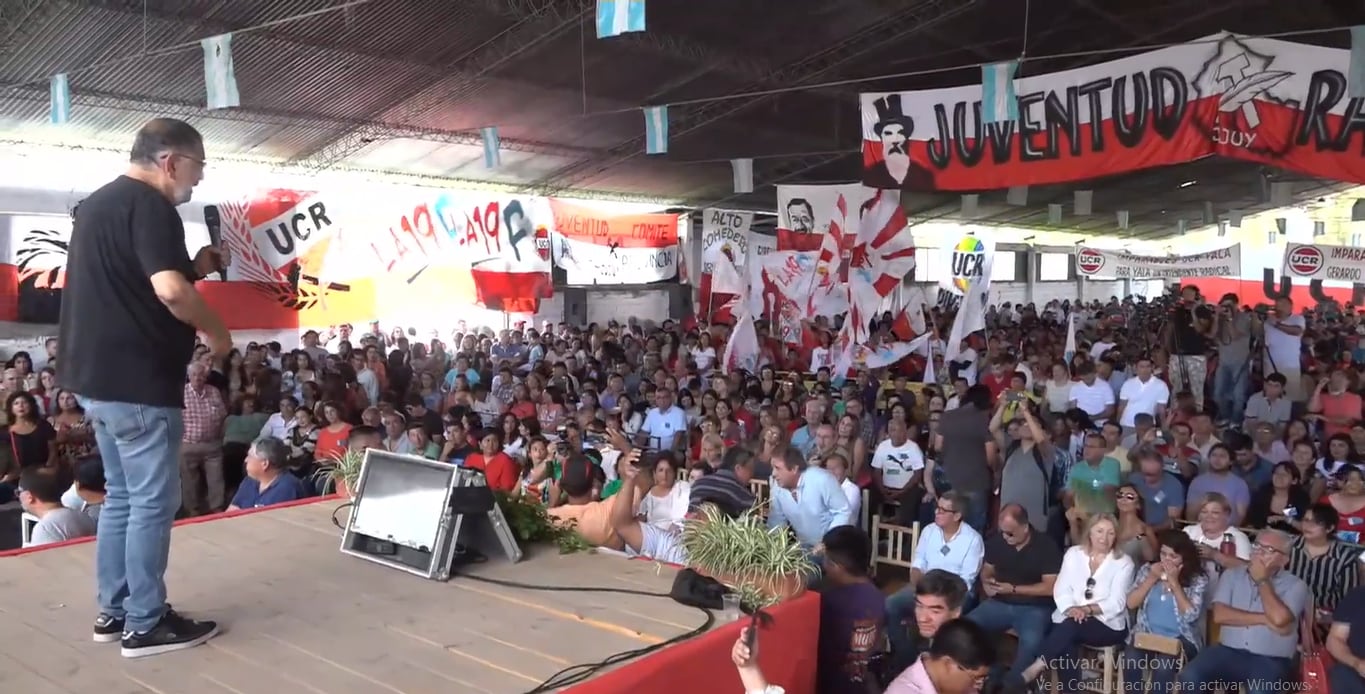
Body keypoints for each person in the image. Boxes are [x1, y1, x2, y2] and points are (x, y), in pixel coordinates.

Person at [57, 118, 229, 657]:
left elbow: (142, 284)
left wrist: (193, 267)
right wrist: (218, 333)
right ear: (171, 161)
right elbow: (169, 291)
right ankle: (145, 623)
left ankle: (116, 612)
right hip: (139, 383)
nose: (198, 183)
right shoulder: (151, 205)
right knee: (153, 502)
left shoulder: (97, 206)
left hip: (96, 381)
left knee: (123, 500)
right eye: (198, 169)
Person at [1177, 530, 1311, 694]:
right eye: (1257, 546)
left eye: (1268, 550)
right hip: (1227, 651)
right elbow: (1220, 615)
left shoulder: (1296, 585)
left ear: (1284, 560)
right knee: (1190, 675)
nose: (1258, 552)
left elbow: (1279, 619)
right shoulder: (1232, 575)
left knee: (1260, 689)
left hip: (1271, 659)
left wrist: (1262, 580)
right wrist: (1265, 619)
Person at [1019, 513, 1135, 692]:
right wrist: (1072, 609)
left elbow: (1116, 603)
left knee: (1068, 628)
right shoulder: (1074, 554)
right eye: (1100, 531)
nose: (1104, 538)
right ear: (1089, 532)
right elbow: (1061, 588)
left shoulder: (1124, 563)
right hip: (1071, 617)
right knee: (1067, 637)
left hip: (1108, 623)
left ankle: (1037, 667)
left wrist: (1087, 610)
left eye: (1110, 533)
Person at [966, 504, 1061, 690]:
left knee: (1032, 641)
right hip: (1000, 602)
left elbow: (1050, 587)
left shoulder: (1046, 546)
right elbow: (987, 569)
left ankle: (1012, 686)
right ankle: (991, 674)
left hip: (1035, 607)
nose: (1005, 537)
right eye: (1003, 532)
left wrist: (1014, 589)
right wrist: (987, 582)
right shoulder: (997, 541)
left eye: (1010, 533)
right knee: (967, 626)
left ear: (1025, 527)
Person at [815, 525, 886, 694]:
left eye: (825, 559)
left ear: (835, 566)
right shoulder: (878, 596)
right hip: (863, 684)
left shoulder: (829, 602)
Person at [884, 569, 970, 682]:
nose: (923, 618)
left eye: (935, 611)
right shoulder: (924, 643)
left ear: (956, 612)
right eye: (920, 606)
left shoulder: (961, 663)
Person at [768, 446, 851, 550]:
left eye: (777, 468)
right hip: (804, 549)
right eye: (773, 468)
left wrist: (827, 542)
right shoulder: (777, 488)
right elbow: (776, 522)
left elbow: (843, 511)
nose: (773, 474)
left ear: (794, 469)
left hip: (834, 548)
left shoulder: (822, 479)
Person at [19, 465, 97, 548]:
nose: (18, 496)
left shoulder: (46, 529)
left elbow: (45, 560)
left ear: (29, 497)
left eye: (19, 492)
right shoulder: (84, 517)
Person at [226, 437, 308, 511]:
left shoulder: (288, 488)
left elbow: (272, 525)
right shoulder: (250, 480)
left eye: (250, 456)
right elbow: (232, 511)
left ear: (264, 464)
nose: (246, 460)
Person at [1326, 584, 1365, 693]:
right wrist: (1356, 663)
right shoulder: (1357, 596)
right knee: (1341, 673)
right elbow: (1334, 639)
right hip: (1357, 671)